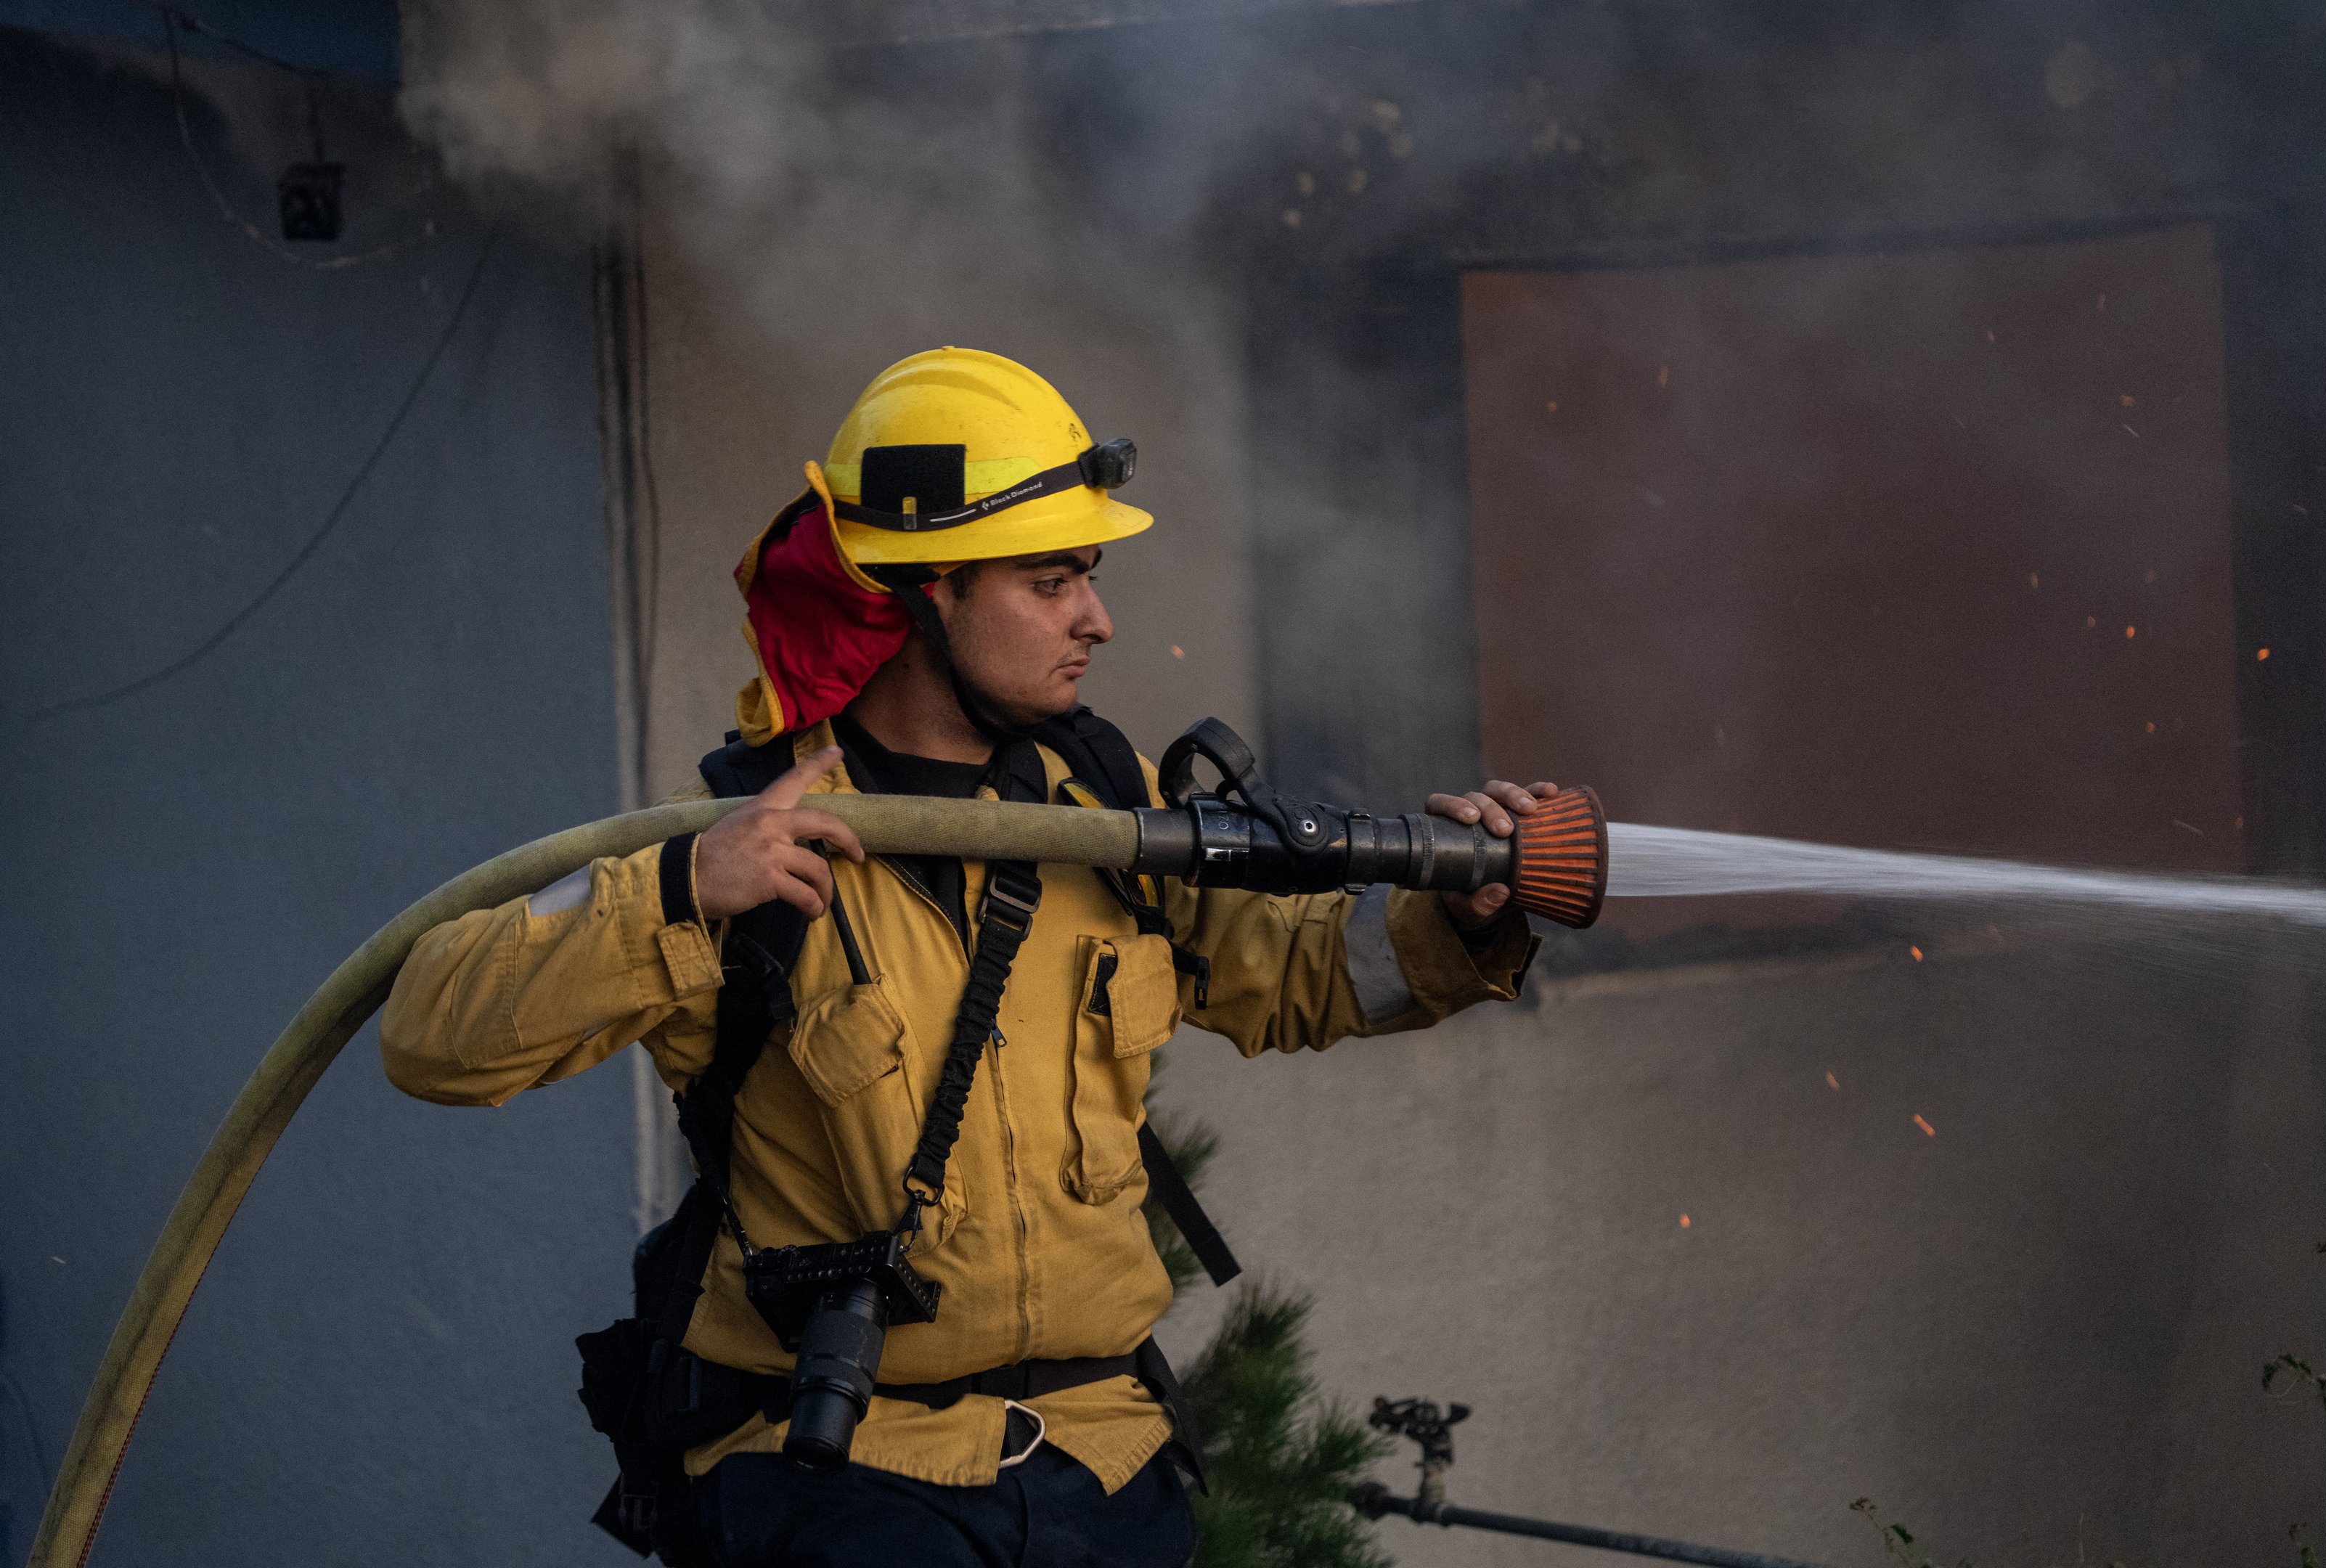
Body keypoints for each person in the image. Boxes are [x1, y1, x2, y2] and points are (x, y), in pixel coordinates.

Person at [380, 347, 1557, 1568]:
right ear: (924, 590)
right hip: (840, 1481)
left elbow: (1300, 972)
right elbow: (430, 1030)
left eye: (1086, 579)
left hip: (1105, 1463)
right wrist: (680, 892)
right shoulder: (738, 840)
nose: (1095, 620)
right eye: (1051, 581)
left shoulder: (1105, 810)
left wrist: (1457, 923)